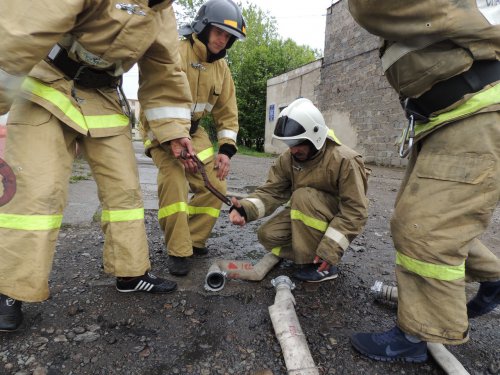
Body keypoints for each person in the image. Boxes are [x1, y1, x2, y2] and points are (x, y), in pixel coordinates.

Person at [0, 0, 195, 332]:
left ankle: (131, 273)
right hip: (47, 84)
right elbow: (24, 28)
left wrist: (175, 131)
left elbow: (164, 71)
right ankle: (9, 288)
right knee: (36, 191)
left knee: (126, 194)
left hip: (104, 96)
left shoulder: (161, 10)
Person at [347, 0, 500, 363]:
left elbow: (367, 9)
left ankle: (415, 337)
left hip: (476, 115)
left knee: (424, 228)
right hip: (449, 119)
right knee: (427, 219)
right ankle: (495, 279)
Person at [140, 0, 245, 276]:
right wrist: (172, 138)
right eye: (219, 32)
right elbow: (154, 97)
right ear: (204, 27)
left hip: (193, 132)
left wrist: (225, 150)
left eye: (228, 36)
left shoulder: (222, 68)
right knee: (175, 181)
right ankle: (178, 250)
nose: (223, 40)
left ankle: (194, 240)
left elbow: (227, 113)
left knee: (217, 185)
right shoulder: (175, 51)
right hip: (162, 130)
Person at [229, 98, 369, 282]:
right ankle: (306, 253)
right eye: (290, 144)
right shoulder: (288, 159)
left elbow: (355, 211)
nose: (293, 150)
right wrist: (245, 209)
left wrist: (331, 249)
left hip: (332, 219)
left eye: (298, 144)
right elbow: (272, 191)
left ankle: (323, 265)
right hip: (306, 210)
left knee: (302, 195)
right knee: (267, 235)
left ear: (316, 136)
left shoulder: (345, 160)